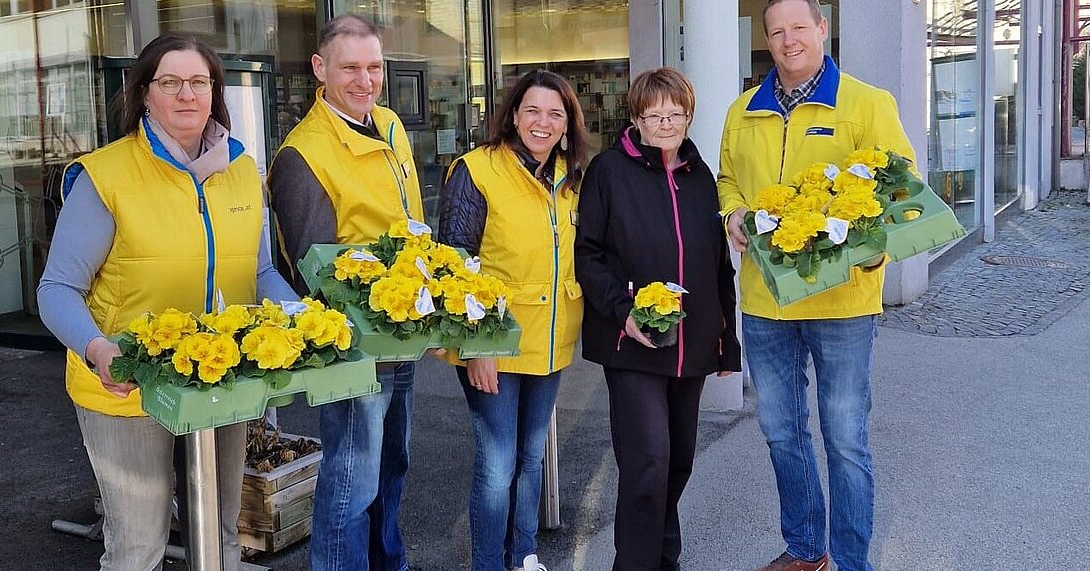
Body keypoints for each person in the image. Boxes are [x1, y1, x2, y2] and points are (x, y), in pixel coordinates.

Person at [37, 33, 301, 571]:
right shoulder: (106, 177)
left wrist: (299, 320)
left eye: (199, 82)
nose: (188, 94)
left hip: (220, 380)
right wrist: (98, 350)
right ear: (144, 93)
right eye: (171, 82)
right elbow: (57, 289)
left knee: (223, 537)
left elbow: (261, 272)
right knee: (139, 546)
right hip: (127, 387)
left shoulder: (243, 172)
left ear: (214, 91)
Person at [716, 2, 917, 570]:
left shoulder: (867, 103)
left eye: (799, 27)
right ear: (767, 39)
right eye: (776, 31)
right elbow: (727, 179)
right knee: (781, 431)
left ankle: (852, 562)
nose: (788, 39)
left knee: (845, 439)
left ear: (823, 30)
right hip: (765, 300)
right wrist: (731, 213)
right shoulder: (742, 110)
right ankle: (807, 549)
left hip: (843, 301)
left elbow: (901, 188)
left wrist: (876, 254)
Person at [266, 14, 423, 571]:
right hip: (356, 345)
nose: (365, 80)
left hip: (404, 333)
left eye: (374, 67)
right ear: (320, 69)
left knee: (392, 465)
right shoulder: (302, 154)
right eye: (350, 67)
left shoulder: (389, 125)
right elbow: (314, 273)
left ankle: (389, 562)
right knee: (353, 476)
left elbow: (411, 224)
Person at [574, 67, 742, 571]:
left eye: (676, 114)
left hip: (691, 344)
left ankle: (662, 560)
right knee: (647, 461)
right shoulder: (608, 171)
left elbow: (717, 265)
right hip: (632, 343)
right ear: (637, 117)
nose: (666, 124)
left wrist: (727, 342)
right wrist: (623, 313)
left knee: (678, 461)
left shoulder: (700, 174)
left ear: (688, 116)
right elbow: (589, 254)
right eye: (655, 115)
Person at [437, 69, 589, 571]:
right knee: (497, 465)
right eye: (532, 111)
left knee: (530, 460)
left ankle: (523, 555)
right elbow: (453, 263)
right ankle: (487, 563)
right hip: (493, 344)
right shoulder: (478, 170)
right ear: (513, 116)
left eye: (554, 113)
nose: (542, 123)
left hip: (548, 343)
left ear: (567, 123)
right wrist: (476, 345)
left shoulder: (571, 179)